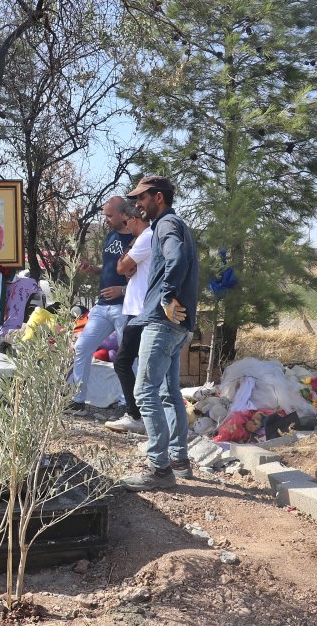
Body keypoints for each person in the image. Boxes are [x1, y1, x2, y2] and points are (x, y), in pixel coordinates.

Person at [119, 176, 199, 492]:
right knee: (168, 391)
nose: (137, 204)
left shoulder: (165, 226)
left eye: (142, 198)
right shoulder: (177, 224)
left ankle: (159, 469)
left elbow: (176, 258)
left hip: (163, 322)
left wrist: (166, 297)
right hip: (178, 325)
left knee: (144, 392)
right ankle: (179, 460)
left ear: (159, 198)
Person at [68, 196, 134, 410]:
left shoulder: (136, 239)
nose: (105, 219)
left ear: (123, 215)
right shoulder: (111, 236)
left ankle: (128, 403)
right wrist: (93, 269)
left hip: (124, 307)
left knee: (127, 355)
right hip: (102, 305)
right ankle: (77, 399)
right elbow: (109, 266)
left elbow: (145, 278)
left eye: (109, 215)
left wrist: (122, 290)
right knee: (82, 346)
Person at [105, 203, 152, 434]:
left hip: (141, 311)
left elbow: (122, 267)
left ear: (134, 219)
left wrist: (129, 251)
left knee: (123, 362)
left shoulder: (145, 238)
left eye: (127, 222)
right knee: (136, 363)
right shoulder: (146, 238)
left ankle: (136, 415)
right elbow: (129, 270)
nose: (126, 227)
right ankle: (142, 414)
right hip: (137, 309)